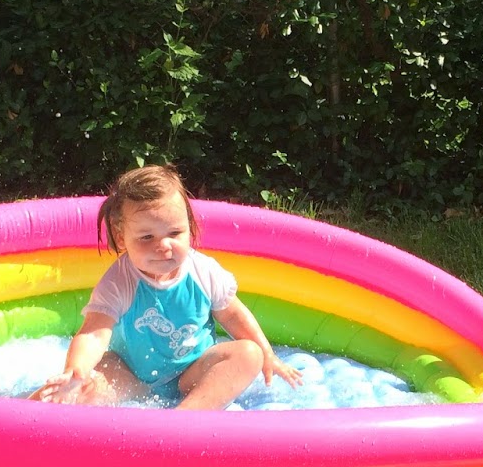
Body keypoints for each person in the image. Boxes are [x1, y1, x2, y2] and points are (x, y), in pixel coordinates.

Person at [31, 165, 301, 409]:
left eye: (174, 233)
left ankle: (187, 417)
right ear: (121, 237)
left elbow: (232, 315)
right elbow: (94, 333)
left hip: (193, 373)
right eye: (147, 237)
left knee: (248, 354)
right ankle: (23, 414)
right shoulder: (119, 281)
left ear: (189, 228)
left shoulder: (203, 271)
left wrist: (268, 355)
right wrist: (76, 370)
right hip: (130, 375)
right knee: (78, 388)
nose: (163, 245)